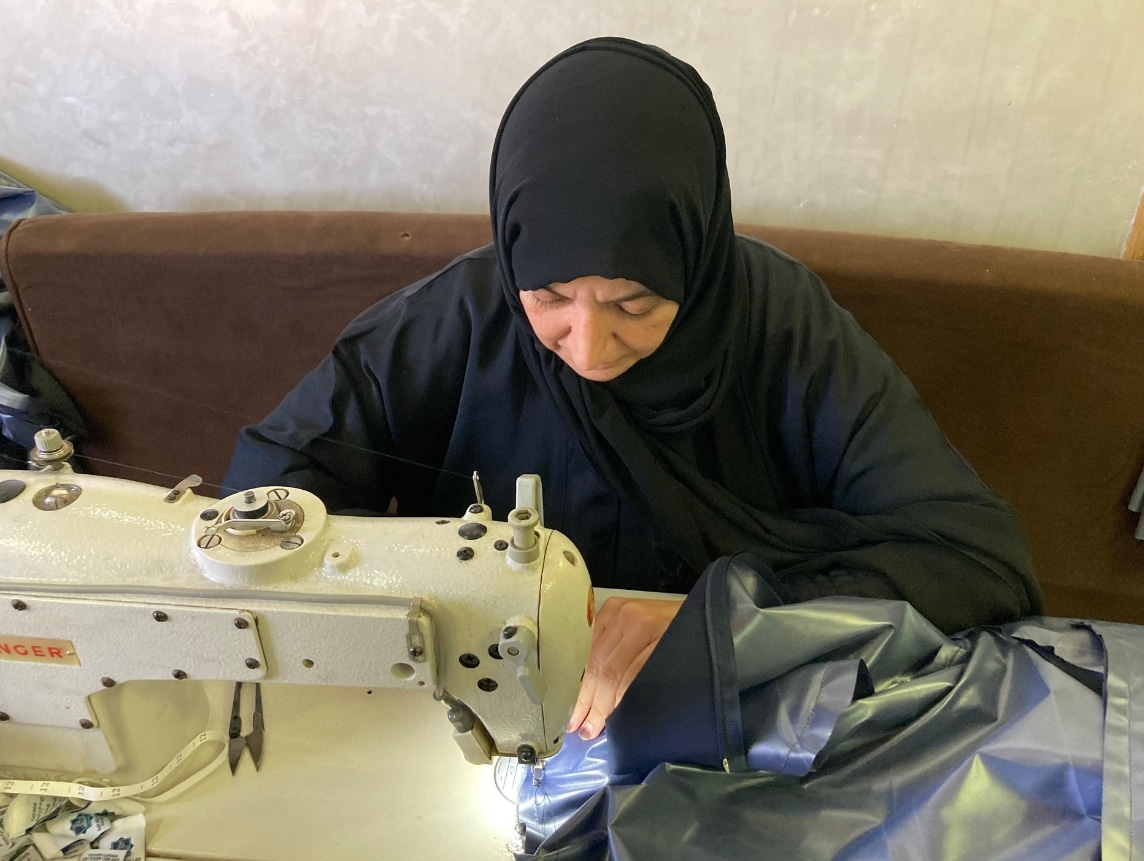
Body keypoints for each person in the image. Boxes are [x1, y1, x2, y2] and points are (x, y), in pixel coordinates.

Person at [224, 37, 1041, 742]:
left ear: (692, 256)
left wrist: (738, 620)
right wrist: (414, 605)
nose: (588, 347)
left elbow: (976, 562)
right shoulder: (457, 317)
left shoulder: (786, 327)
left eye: (635, 304)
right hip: (477, 707)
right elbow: (267, 498)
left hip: (726, 715)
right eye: (549, 297)